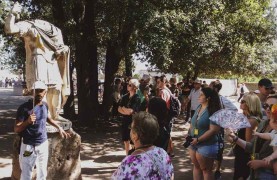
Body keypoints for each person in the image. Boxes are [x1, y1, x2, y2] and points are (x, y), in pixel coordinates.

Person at [5, 2, 70, 120]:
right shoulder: (30, 25)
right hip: (38, 59)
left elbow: (62, 46)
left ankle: (54, 115)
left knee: (56, 88)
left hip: (52, 60)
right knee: (41, 88)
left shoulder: (56, 31)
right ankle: (43, 117)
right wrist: (13, 13)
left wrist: (64, 49)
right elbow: (10, 29)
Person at [15, 81, 69, 180]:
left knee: (42, 173)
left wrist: (59, 127)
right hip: (28, 146)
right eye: (37, 91)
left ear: (45, 92)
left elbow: (47, 118)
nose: (39, 93)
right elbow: (17, 128)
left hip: (42, 144)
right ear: (32, 92)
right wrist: (27, 121)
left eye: (41, 91)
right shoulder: (23, 108)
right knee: (26, 173)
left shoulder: (45, 105)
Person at [112, 112, 174, 179]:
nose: (130, 130)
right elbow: (171, 176)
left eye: (131, 127)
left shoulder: (130, 163)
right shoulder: (162, 153)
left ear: (135, 135)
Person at [228, 94, 277, 179]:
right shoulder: (264, 123)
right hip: (255, 172)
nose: (268, 109)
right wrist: (234, 137)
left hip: (270, 174)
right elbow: (251, 146)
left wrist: (262, 163)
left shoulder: (252, 121)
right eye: (266, 106)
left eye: (273, 106)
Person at [187, 87, 221, 180]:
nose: (199, 96)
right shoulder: (199, 106)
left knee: (206, 170)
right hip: (193, 142)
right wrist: (189, 133)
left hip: (207, 144)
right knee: (196, 167)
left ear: (208, 98)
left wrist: (198, 139)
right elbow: (193, 123)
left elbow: (213, 130)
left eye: (201, 95)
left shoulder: (213, 111)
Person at [209, 80, 237, 179]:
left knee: (219, 149)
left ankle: (217, 170)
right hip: (207, 127)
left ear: (215, 89)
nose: (209, 87)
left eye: (210, 86)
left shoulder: (222, 99)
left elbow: (234, 109)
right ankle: (209, 167)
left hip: (218, 128)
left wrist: (224, 116)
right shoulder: (208, 98)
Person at [231, 92, 262, 179]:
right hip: (240, 155)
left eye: (243, 101)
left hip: (244, 157)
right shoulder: (247, 118)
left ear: (249, 103)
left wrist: (233, 136)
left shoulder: (251, 121)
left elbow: (248, 145)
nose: (240, 102)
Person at [118, 79, 141, 155]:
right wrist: (125, 110)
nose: (128, 85)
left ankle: (134, 155)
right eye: (128, 84)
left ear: (135, 87)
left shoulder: (137, 98)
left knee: (133, 140)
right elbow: (119, 109)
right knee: (125, 140)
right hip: (125, 120)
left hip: (133, 121)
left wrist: (124, 109)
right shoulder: (125, 97)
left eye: (130, 85)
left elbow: (131, 111)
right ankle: (127, 155)